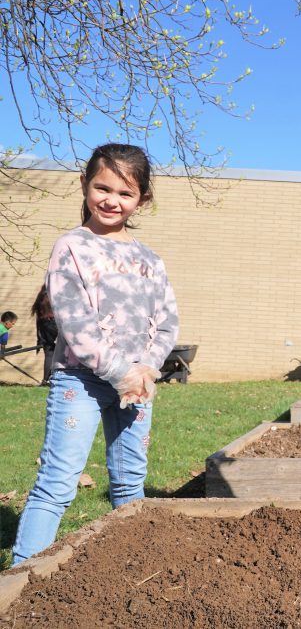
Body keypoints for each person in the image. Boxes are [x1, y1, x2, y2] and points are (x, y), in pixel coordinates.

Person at [12, 143, 179, 565]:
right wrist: (122, 371)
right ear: (84, 185)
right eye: (102, 188)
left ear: (143, 199)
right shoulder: (72, 247)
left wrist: (146, 368)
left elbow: (167, 320)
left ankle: (134, 566)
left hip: (137, 386)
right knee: (57, 484)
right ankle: (20, 578)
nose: (112, 200)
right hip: (81, 382)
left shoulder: (149, 259)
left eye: (125, 194)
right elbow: (75, 322)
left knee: (129, 483)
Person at [32, 286, 58, 383]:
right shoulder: (56, 296)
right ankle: (55, 379)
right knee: (61, 355)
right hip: (55, 326)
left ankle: (45, 380)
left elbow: (38, 319)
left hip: (44, 328)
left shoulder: (40, 299)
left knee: (48, 355)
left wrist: (39, 338)